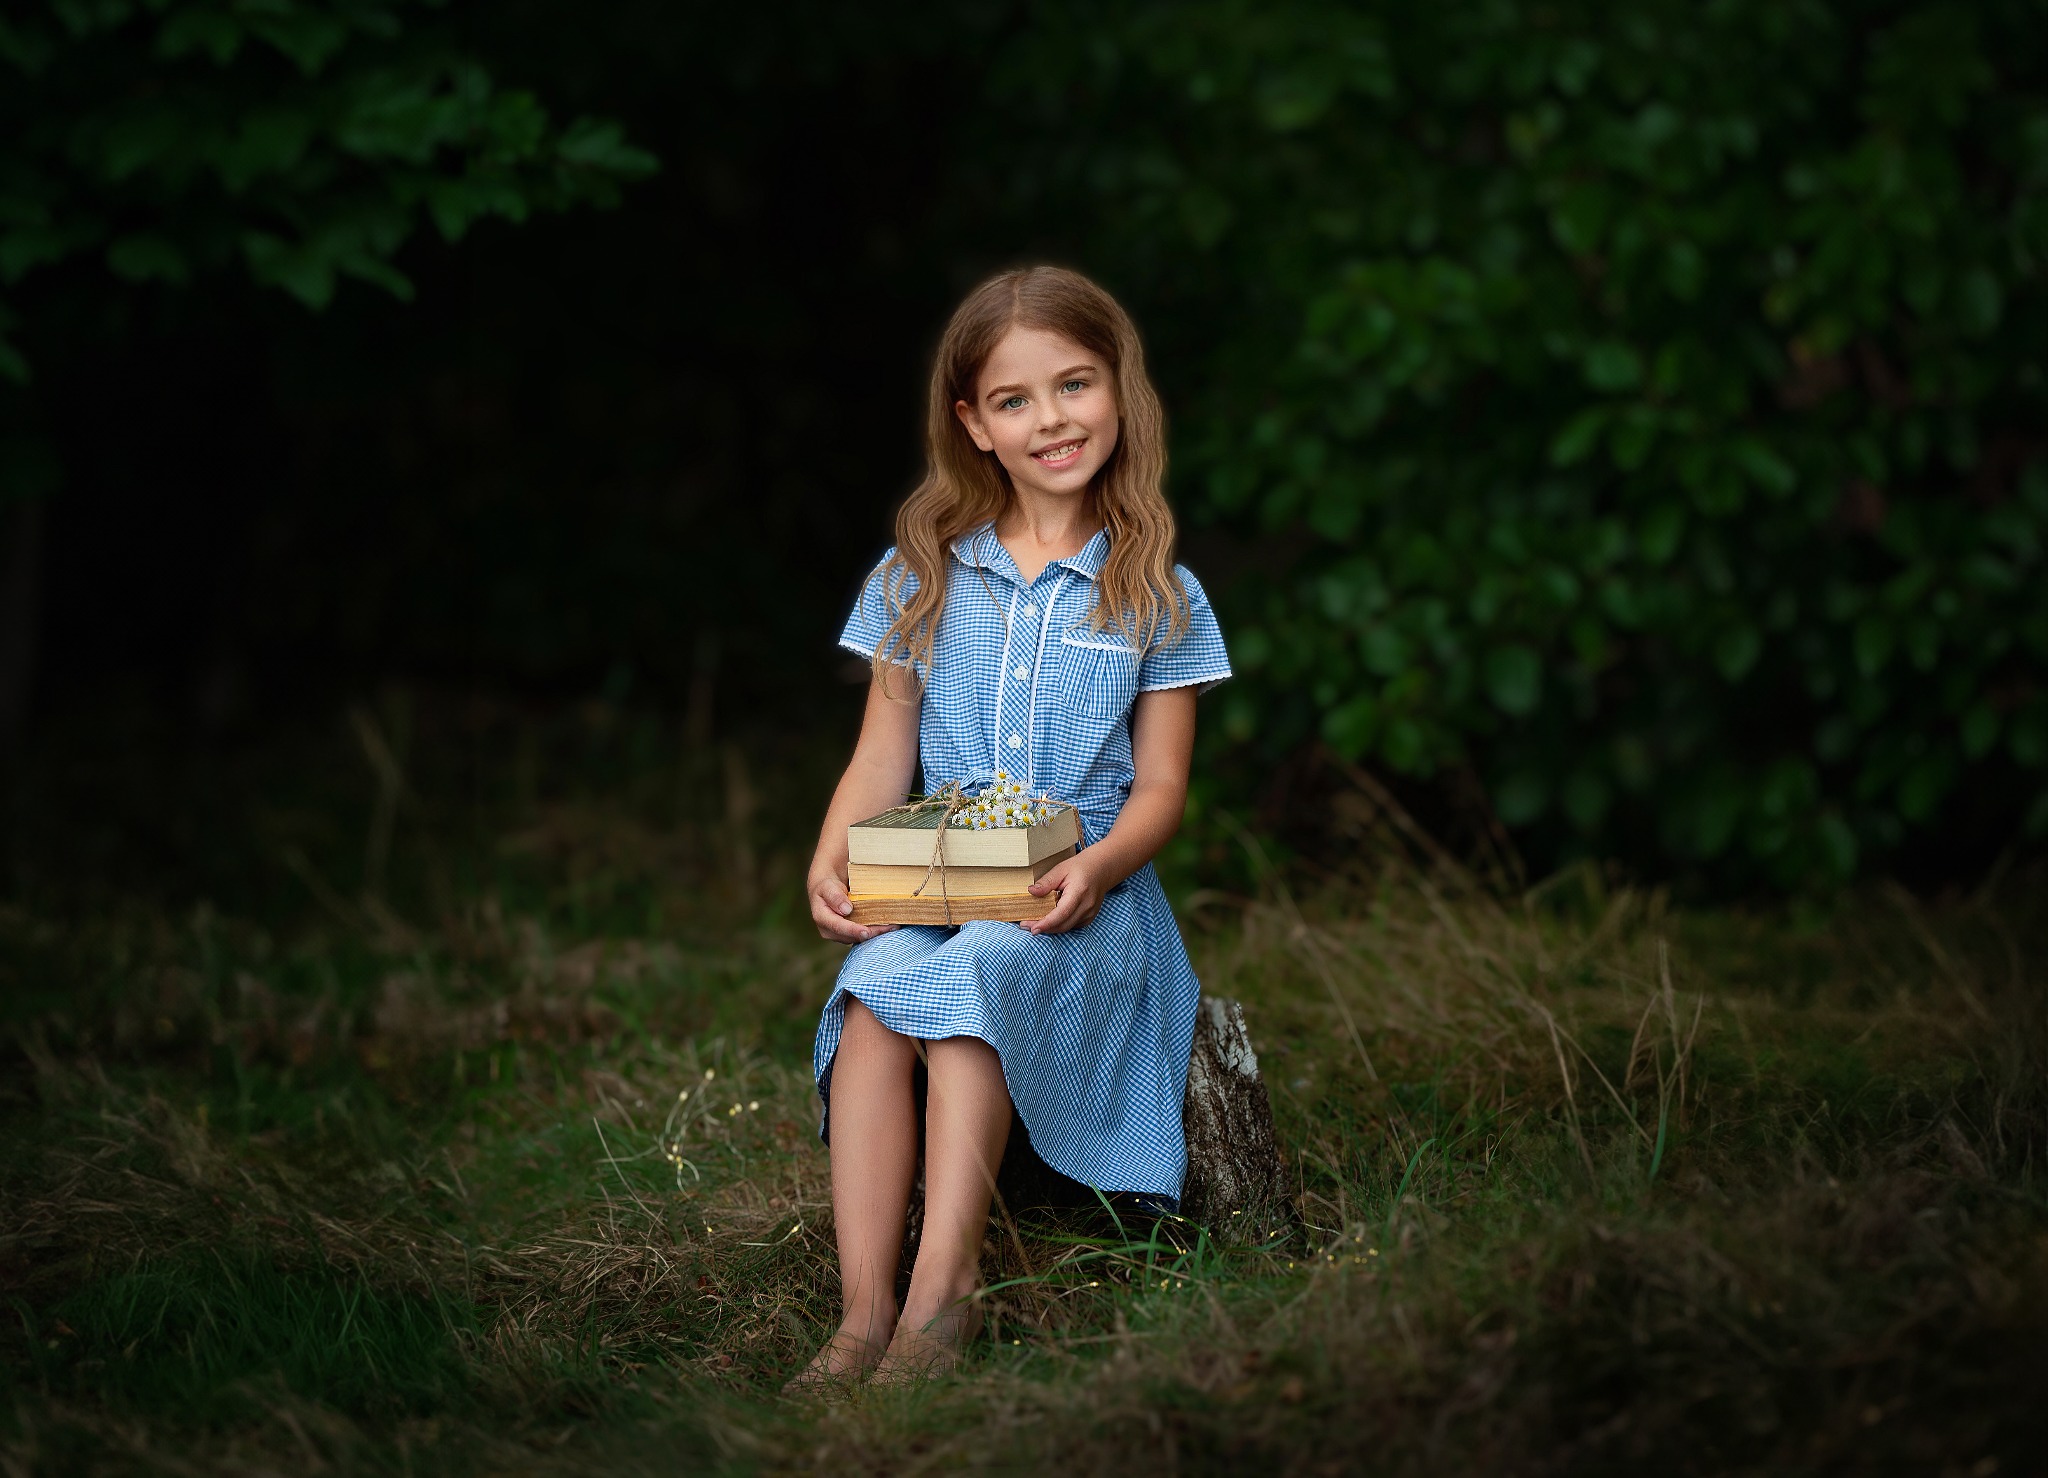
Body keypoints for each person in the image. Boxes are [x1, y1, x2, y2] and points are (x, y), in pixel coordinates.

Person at [796, 266, 1231, 1388]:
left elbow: (1162, 790)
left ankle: (945, 1298)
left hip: (1081, 906)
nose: (1051, 419)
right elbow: (881, 756)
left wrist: (1099, 864)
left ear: (1119, 390)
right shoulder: (919, 576)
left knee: (982, 966)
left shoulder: (1156, 591)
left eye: (1074, 384)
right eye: (1014, 399)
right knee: (875, 985)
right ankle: (860, 1315)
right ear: (973, 425)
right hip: (937, 891)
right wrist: (829, 858)